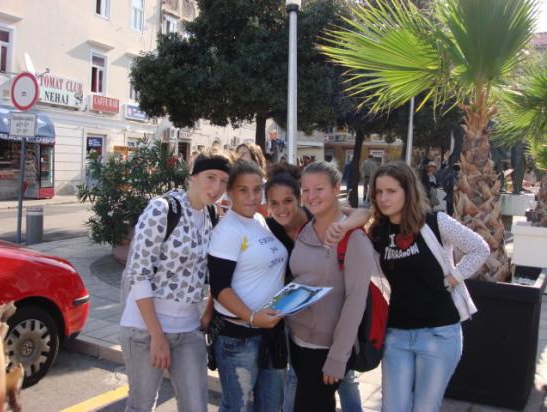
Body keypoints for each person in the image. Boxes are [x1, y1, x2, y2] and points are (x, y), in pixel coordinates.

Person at [368, 161, 489, 412]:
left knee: (425, 408)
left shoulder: (435, 223)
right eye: (378, 192)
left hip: (439, 334)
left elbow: (480, 248)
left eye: (391, 191)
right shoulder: (378, 232)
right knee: (393, 408)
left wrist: (453, 278)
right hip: (396, 335)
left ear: (408, 191)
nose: (383, 198)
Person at [119, 147, 232, 412]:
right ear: (193, 176)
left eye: (224, 181)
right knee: (142, 405)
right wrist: (157, 336)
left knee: (196, 406)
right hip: (145, 329)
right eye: (210, 177)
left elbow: (213, 272)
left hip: (189, 328)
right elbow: (139, 273)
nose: (217, 187)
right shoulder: (162, 209)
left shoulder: (212, 215)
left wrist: (207, 311)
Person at [264, 165, 371, 412]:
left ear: (336, 188)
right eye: (306, 190)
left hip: (326, 349)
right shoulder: (305, 229)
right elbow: (302, 278)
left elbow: (355, 302)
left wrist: (338, 357)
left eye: (319, 189)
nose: (311, 196)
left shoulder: (353, 238)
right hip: (297, 342)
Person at [208, 160, 288, 412]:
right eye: (243, 190)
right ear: (230, 192)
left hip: (271, 333)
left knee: (271, 407)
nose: (252, 197)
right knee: (237, 407)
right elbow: (220, 288)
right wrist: (253, 317)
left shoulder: (260, 220)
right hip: (239, 338)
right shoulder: (227, 231)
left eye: (257, 189)